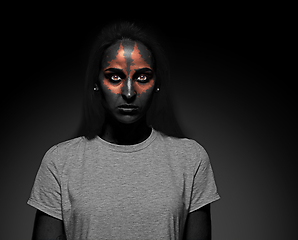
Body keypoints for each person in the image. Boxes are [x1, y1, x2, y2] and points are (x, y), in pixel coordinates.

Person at [27, 21, 220, 240]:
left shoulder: (190, 158)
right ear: (96, 83)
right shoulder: (60, 162)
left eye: (142, 77)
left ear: (157, 84)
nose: (129, 92)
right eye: (115, 77)